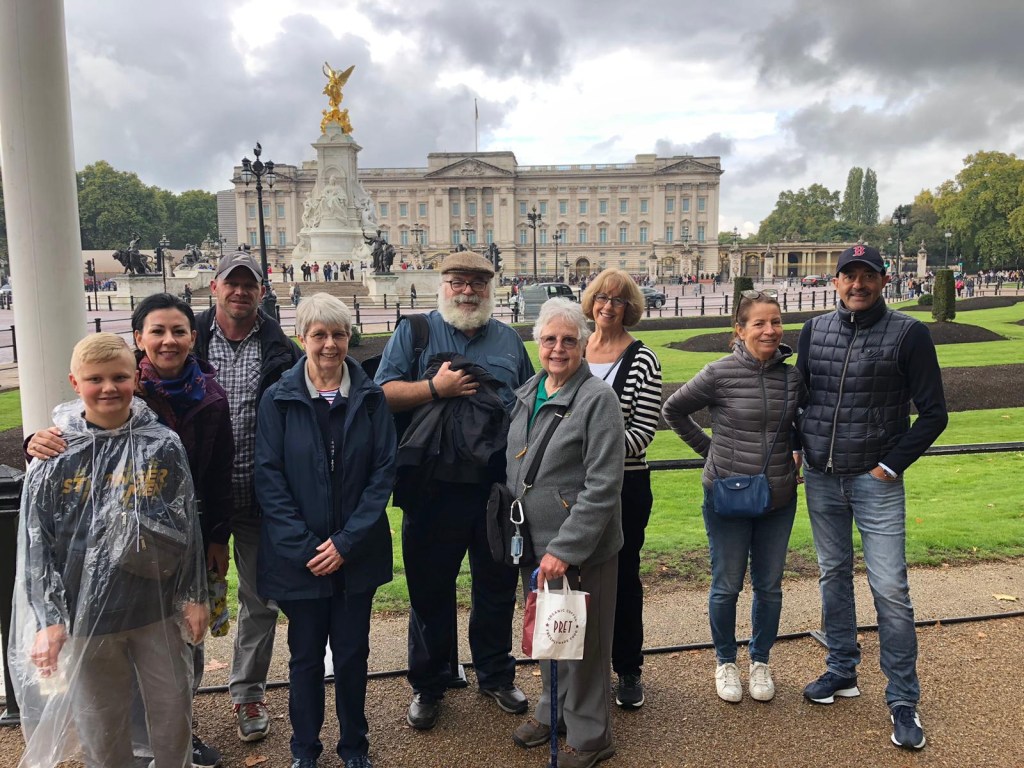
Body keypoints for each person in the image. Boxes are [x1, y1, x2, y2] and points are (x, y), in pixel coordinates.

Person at [27, 294, 236, 767]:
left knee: (172, 715)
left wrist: (196, 595)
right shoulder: (55, 454)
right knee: (103, 726)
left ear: (134, 380)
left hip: (156, 603)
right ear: (75, 384)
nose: (109, 388)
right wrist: (49, 618)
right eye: (95, 380)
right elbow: (38, 545)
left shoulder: (162, 444)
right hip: (85, 613)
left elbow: (186, 523)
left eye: (119, 378)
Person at [374, 250, 534, 731]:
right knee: (429, 590)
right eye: (458, 282)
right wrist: (434, 389)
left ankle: (495, 674)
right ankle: (429, 683)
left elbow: (529, 402)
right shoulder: (416, 332)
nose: (467, 291)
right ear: (442, 285)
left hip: (494, 488)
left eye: (477, 283)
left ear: (491, 289)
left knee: (496, 586)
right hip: (432, 487)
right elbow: (380, 395)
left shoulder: (508, 339)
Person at [797, 245, 948, 751]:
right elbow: (799, 397)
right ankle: (842, 668)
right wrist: (798, 446)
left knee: (890, 589)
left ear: (884, 280)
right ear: (836, 281)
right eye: (849, 275)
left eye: (867, 275)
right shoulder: (814, 330)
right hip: (822, 476)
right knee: (832, 575)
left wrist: (890, 465)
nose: (857, 284)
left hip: (874, 479)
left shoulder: (909, 333)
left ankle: (903, 698)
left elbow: (934, 413)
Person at [255, 293, 395, 768]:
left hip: (356, 554)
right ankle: (305, 750)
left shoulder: (371, 399)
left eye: (338, 334)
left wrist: (346, 542)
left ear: (349, 337)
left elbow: (382, 475)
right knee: (305, 658)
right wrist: (306, 547)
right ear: (303, 338)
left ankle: (354, 747)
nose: (330, 344)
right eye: (319, 335)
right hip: (302, 559)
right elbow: (269, 478)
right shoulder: (278, 399)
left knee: (353, 655)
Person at [662, 290, 805, 704]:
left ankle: (760, 660)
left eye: (775, 322)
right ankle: (726, 661)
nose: (769, 330)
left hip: (777, 496)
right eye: (759, 323)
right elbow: (673, 410)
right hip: (727, 495)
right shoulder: (719, 373)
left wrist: (798, 450)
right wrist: (711, 453)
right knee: (726, 585)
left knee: (770, 586)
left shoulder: (792, 378)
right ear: (740, 330)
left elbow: (802, 423)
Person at [508, 298, 624, 768]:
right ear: (538, 343)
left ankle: (592, 736)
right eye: (550, 339)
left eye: (569, 340)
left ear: (583, 344)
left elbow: (604, 484)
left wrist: (566, 548)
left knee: (586, 646)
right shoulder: (529, 391)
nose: (558, 348)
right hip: (533, 543)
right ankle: (552, 711)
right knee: (552, 633)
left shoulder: (597, 399)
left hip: (580, 549)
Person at [198, 251, 300, 740]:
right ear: (214, 287)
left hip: (260, 496)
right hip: (200, 501)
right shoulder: (186, 338)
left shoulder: (281, 347)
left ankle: (247, 694)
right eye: (232, 283)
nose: (240, 291)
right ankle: (177, 700)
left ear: (262, 291)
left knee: (260, 600)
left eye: (249, 284)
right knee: (190, 600)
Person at [579, 269, 662, 709]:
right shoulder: (575, 347)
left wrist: (586, 452)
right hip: (574, 486)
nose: (608, 307)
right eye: (602, 298)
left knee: (623, 577)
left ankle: (628, 667)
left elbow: (643, 433)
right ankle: (581, 668)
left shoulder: (643, 359)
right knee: (576, 576)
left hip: (624, 484)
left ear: (630, 309)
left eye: (618, 301)